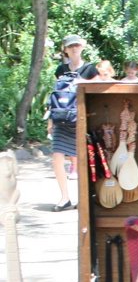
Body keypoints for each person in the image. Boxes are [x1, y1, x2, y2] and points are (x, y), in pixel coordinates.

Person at [48, 34, 98, 211]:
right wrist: (50, 120)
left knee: (84, 160)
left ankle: (83, 198)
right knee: (57, 157)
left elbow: (97, 90)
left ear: (82, 47)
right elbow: (56, 95)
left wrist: (82, 82)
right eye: (70, 46)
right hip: (61, 120)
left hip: (81, 120)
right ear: (66, 50)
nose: (74, 48)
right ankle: (65, 198)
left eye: (76, 45)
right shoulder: (60, 69)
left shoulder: (90, 70)